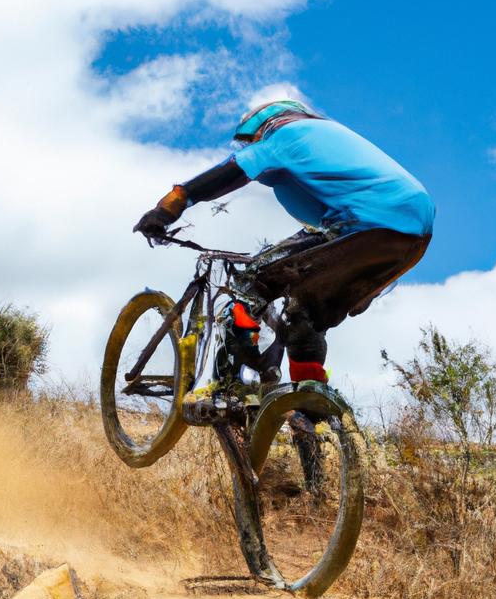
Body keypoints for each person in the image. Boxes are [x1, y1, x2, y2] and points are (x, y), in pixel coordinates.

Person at [133, 99, 435, 388]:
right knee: (303, 315)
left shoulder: (289, 135)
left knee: (250, 282)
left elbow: (234, 170)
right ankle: (310, 407)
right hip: (408, 239)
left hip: (365, 223)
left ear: (262, 127)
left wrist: (171, 205)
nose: (252, 147)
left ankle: (227, 386)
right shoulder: (329, 138)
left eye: (251, 141)